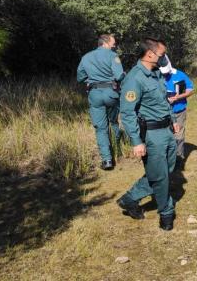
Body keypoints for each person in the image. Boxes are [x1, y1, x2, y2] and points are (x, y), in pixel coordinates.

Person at [116, 37, 178, 231]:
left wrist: (173, 121)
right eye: (162, 54)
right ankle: (166, 213)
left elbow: (164, 101)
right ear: (150, 54)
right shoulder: (134, 78)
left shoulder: (157, 74)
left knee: (163, 172)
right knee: (160, 178)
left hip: (166, 130)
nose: (164, 58)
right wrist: (136, 141)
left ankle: (129, 198)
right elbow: (127, 113)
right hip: (151, 135)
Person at [76, 34, 124, 170]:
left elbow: (80, 77)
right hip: (111, 93)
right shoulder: (112, 56)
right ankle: (118, 151)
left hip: (94, 94)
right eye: (113, 43)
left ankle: (107, 160)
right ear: (105, 43)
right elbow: (119, 75)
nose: (114, 46)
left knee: (100, 128)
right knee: (114, 122)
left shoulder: (86, 57)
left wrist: (92, 77)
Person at [159, 57, 194, 161]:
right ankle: (165, 157)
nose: (164, 75)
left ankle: (179, 158)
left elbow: (190, 89)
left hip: (179, 111)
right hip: (162, 112)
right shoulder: (156, 75)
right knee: (164, 135)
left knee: (178, 134)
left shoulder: (180, 75)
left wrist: (178, 97)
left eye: (166, 73)